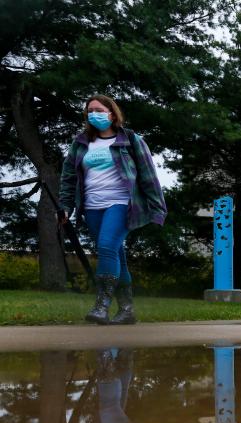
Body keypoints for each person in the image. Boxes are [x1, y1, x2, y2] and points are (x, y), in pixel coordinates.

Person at [58, 95, 167, 325]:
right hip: (91, 206)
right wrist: (66, 206)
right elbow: (68, 178)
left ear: (112, 113)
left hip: (121, 203)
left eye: (98, 109)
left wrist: (158, 209)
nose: (93, 114)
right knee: (116, 254)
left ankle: (102, 305)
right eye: (89, 111)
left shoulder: (130, 140)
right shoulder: (80, 143)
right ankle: (127, 309)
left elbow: (148, 176)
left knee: (107, 246)